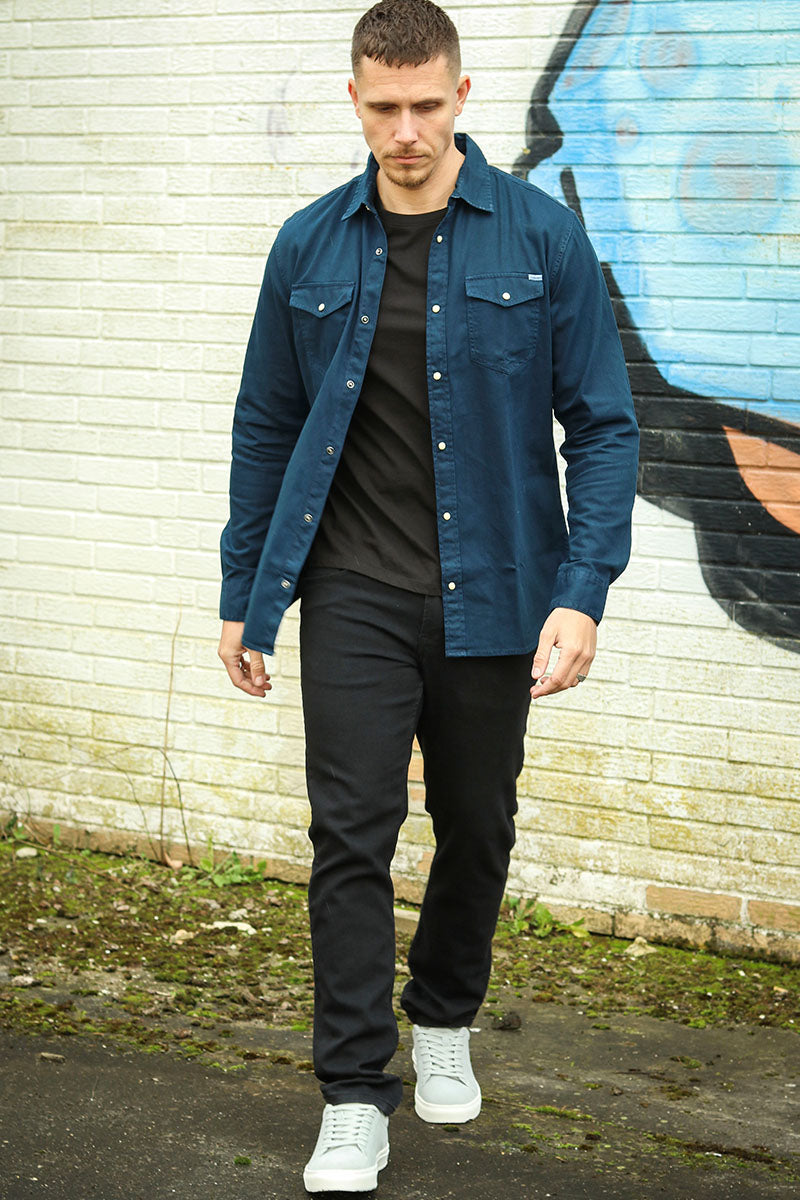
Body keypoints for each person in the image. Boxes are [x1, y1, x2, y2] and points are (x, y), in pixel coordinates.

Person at [217, 0, 639, 1190]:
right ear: (354, 102)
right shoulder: (307, 245)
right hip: (350, 587)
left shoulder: (541, 239)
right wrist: (242, 591)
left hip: (495, 591)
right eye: (382, 108)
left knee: (476, 824)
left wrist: (581, 592)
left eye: (423, 106)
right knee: (348, 837)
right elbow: (265, 426)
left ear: (461, 95)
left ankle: (443, 1014)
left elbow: (603, 427)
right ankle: (354, 1094)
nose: (404, 132)